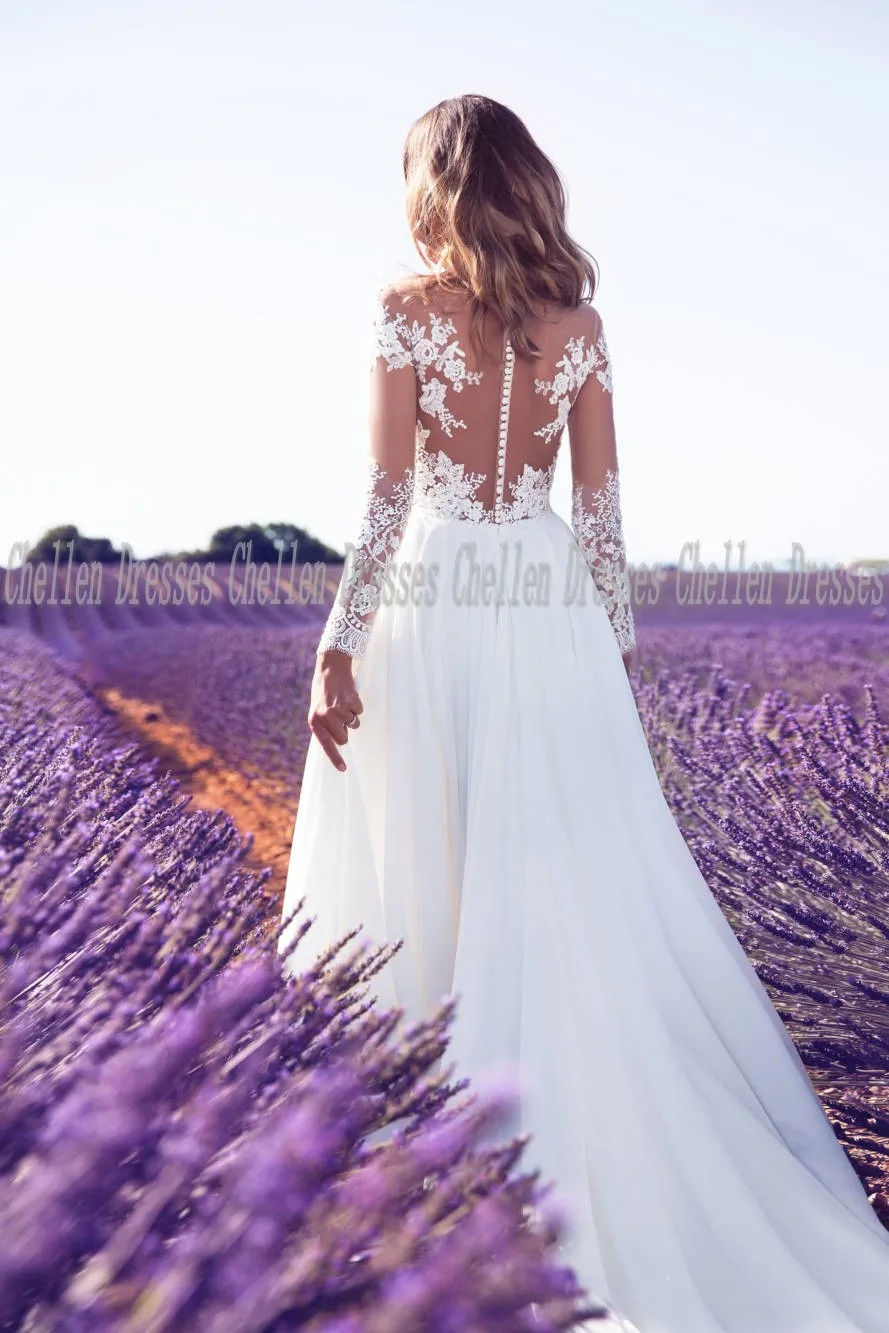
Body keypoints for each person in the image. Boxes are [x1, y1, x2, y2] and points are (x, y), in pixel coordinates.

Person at [279, 94, 889, 1331]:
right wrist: (605, 657)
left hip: (439, 597)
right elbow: (601, 510)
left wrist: (337, 643)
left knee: (424, 861)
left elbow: (389, 495)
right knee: (558, 872)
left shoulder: (404, 310)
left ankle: (426, 1153)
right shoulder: (581, 325)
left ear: (434, 187)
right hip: (547, 602)